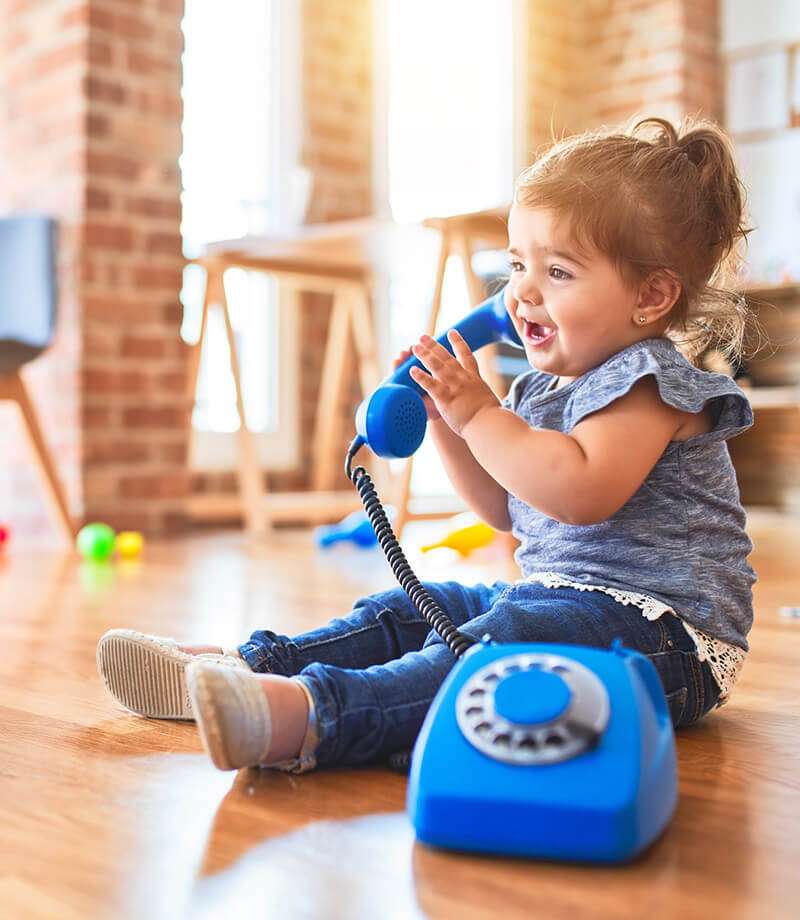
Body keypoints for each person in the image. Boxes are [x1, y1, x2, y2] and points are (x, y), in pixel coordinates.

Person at [97, 116, 758, 774]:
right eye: (518, 264)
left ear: (652, 296)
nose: (521, 292)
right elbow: (506, 509)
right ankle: (243, 666)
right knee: (412, 608)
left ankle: (308, 716)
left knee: (494, 646)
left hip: (672, 643)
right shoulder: (540, 390)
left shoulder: (650, 384)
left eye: (557, 272)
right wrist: (445, 419)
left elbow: (578, 492)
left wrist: (476, 414)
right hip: (561, 604)